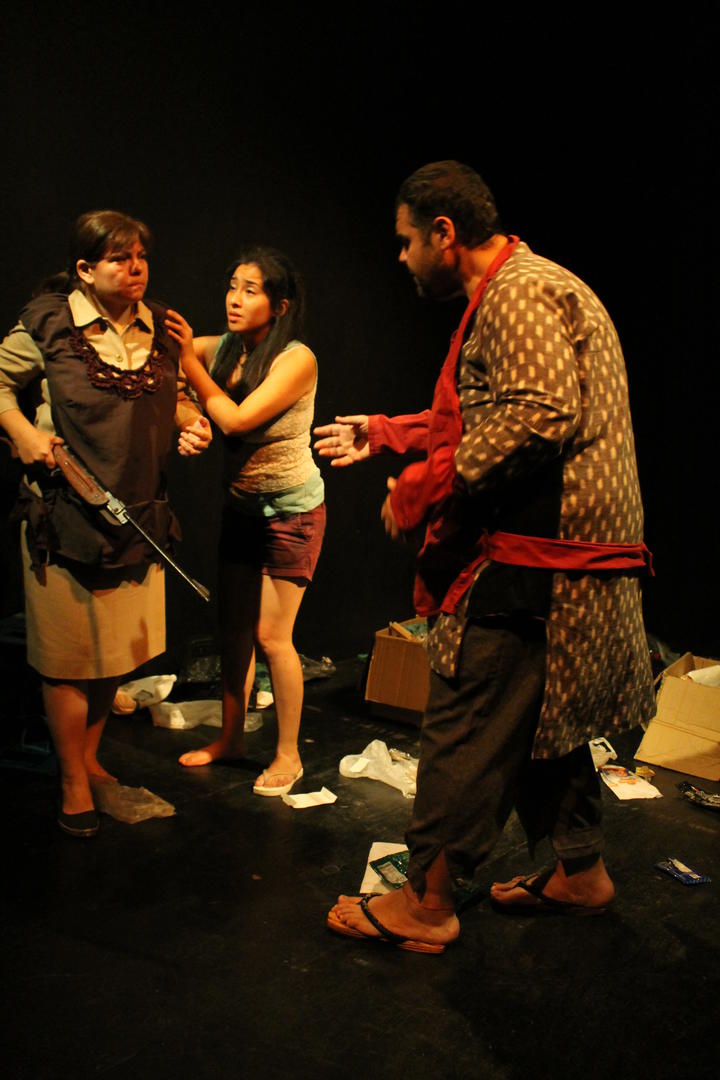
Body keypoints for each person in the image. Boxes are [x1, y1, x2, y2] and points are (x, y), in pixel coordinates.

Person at [314, 161, 654, 953]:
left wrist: (424, 487)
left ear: (444, 233)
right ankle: (580, 870)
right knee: (539, 716)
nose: (401, 259)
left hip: (541, 557)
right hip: (566, 554)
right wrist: (390, 434)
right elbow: (489, 411)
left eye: (406, 242)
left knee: (467, 716)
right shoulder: (527, 286)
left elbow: (538, 413)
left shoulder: (518, 291)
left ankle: (427, 903)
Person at [0, 209, 211, 838]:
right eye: (119, 258)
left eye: (140, 255)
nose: (135, 267)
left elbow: (174, 393)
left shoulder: (161, 326)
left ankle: (90, 760)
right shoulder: (47, 323)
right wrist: (20, 432)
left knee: (114, 651)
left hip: (137, 515)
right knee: (68, 657)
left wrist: (191, 423)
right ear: (85, 269)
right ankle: (71, 779)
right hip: (64, 517)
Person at [165, 246, 325, 796]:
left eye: (250, 290)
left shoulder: (296, 360)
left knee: (272, 637)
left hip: (291, 512)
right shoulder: (227, 348)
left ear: (279, 306)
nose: (235, 299)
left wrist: (190, 366)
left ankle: (288, 755)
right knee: (233, 632)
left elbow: (234, 420)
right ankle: (231, 738)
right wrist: (188, 415)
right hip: (241, 508)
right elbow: (174, 372)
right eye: (232, 286)